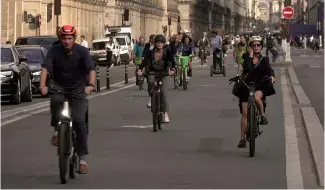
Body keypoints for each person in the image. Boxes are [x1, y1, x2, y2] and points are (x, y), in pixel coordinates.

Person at [40, 24, 96, 174]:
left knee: (79, 121)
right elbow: (45, 67)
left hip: (78, 89)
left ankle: (82, 158)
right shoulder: (54, 50)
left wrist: (90, 85)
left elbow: (91, 69)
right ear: (60, 38)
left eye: (70, 38)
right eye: (64, 38)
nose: (66, 41)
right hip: (59, 87)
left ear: (74, 39)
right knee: (56, 101)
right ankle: (57, 129)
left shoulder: (82, 51)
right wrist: (42, 85)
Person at [235, 36, 276, 148]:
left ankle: (262, 115)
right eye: (254, 45)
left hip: (259, 85)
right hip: (246, 85)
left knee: (257, 98)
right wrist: (250, 55)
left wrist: (272, 77)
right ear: (250, 47)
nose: (256, 47)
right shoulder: (246, 56)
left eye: (258, 45)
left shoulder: (265, 59)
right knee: (244, 113)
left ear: (261, 46)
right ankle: (242, 138)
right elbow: (247, 68)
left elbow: (270, 70)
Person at [137, 34, 176, 123]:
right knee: (150, 81)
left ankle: (165, 113)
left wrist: (173, 69)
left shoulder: (167, 51)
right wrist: (139, 69)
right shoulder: (151, 52)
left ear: (164, 44)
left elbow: (172, 62)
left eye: (161, 42)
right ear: (155, 43)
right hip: (153, 72)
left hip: (164, 73)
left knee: (164, 93)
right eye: (157, 42)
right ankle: (152, 95)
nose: (159, 44)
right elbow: (144, 61)